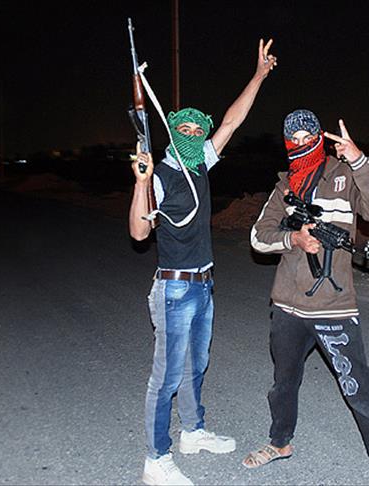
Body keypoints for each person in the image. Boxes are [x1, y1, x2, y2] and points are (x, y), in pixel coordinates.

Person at [129, 39, 277, 486]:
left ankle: (192, 433)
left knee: (196, 365)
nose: (194, 135)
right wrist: (141, 182)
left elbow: (232, 121)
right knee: (166, 376)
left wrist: (259, 75)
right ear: (173, 131)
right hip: (173, 288)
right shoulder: (162, 175)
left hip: (203, 285)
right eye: (186, 129)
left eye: (199, 130)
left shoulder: (199, 167)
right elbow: (139, 233)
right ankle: (156, 458)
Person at [245, 109, 369, 485]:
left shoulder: (345, 174)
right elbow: (258, 236)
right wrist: (293, 239)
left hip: (334, 307)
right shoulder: (285, 186)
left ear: (320, 137)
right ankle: (280, 443)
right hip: (288, 305)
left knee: (358, 387)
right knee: (283, 383)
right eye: (294, 140)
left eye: (308, 137)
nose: (302, 144)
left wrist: (359, 159)